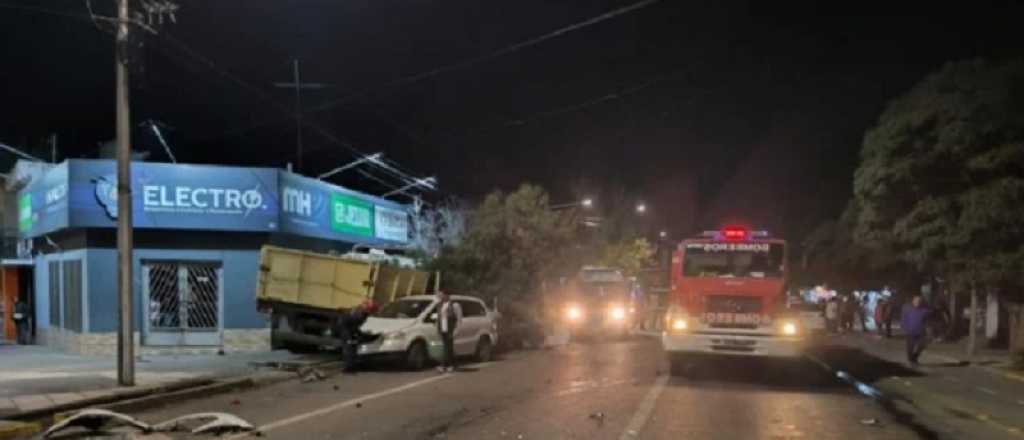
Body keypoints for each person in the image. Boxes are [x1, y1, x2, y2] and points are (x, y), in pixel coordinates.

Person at [335, 300, 378, 373]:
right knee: (350, 347)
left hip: (348, 328)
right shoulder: (359, 313)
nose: (372, 312)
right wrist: (353, 335)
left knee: (352, 347)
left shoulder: (360, 312)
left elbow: (357, 325)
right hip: (346, 329)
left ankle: (351, 365)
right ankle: (348, 368)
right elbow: (353, 324)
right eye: (372, 310)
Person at [435, 291, 462, 373]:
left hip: (450, 329)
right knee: (448, 348)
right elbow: (439, 318)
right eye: (439, 295)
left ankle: (443, 366)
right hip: (443, 328)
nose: (440, 297)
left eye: (441, 295)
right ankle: (452, 365)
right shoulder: (440, 305)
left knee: (447, 348)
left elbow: (459, 318)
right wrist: (438, 328)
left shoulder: (454, 305)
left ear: (446, 295)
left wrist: (456, 330)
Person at [901, 294, 931, 366]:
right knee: (910, 348)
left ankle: (914, 357)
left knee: (922, 345)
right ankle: (911, 360)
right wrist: (905, 327)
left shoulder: (925, 311)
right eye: (916, 301)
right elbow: (904, 319)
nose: (917, 302)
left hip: (921, 332)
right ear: (913, 301)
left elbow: (928, 320)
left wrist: (927, 328)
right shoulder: (908, 309)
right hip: (910, 331)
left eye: (919, 301)